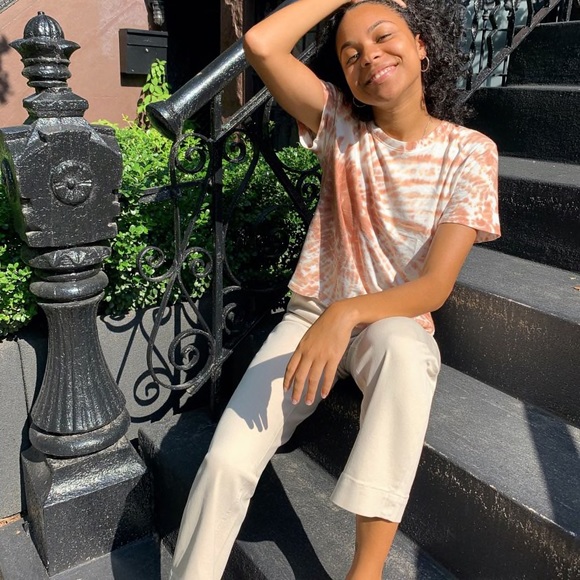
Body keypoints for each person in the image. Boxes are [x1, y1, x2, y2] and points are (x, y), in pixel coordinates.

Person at [170, 0, 500, 578]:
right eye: (351, 54)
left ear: (421, 45)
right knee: (225, 462)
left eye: (384, 37)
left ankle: (364, 572)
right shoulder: (340, 125)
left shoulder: (470, 152)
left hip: (389, 325)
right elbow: (263, 44)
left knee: (406, 353)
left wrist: (346, 314)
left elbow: (434, 287)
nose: (369, 56)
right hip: (310, 320)